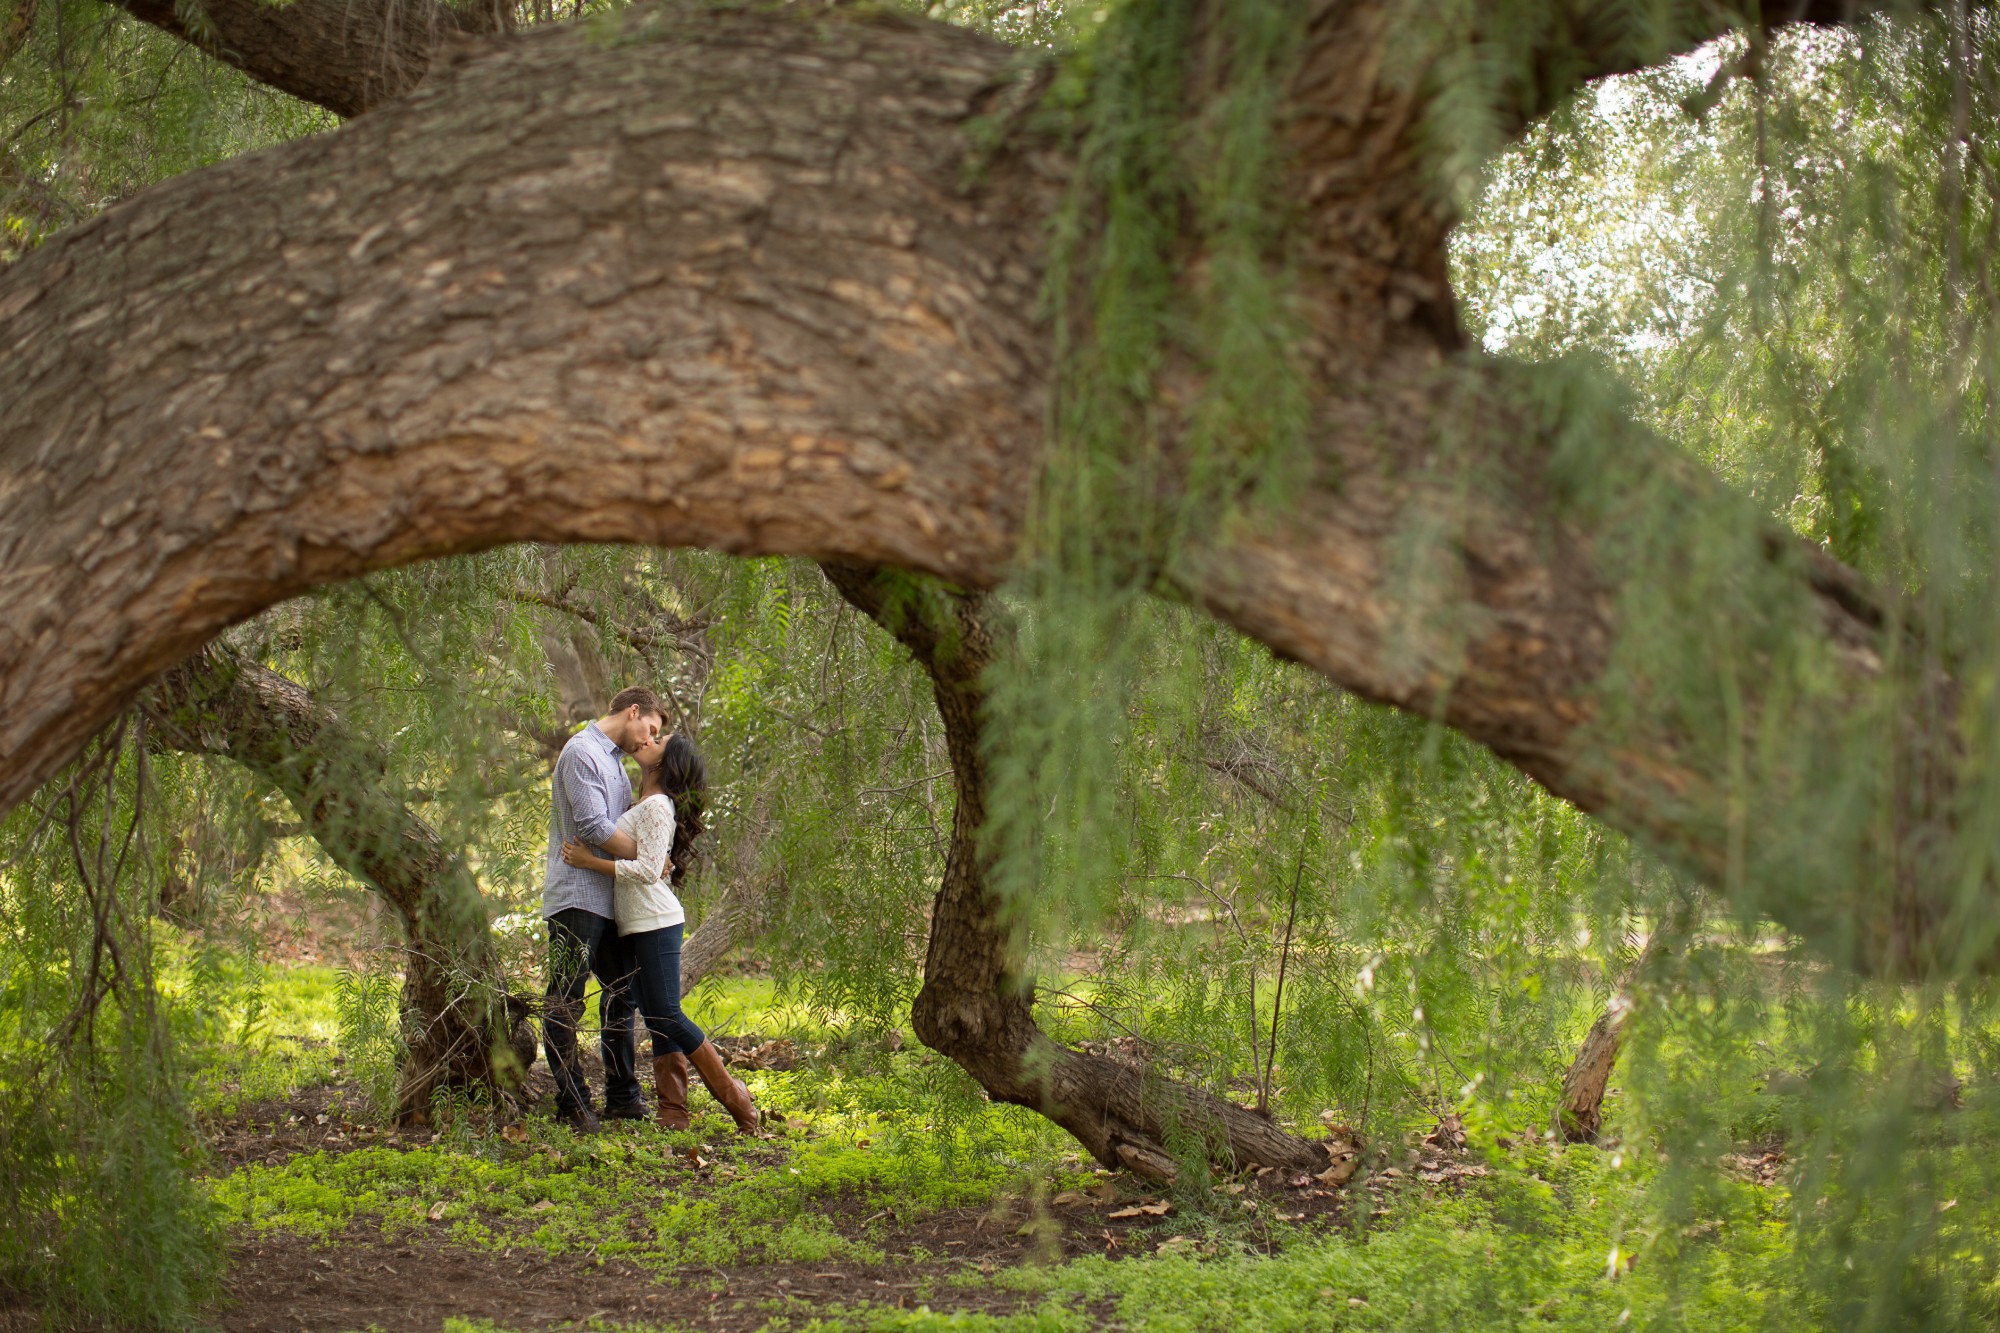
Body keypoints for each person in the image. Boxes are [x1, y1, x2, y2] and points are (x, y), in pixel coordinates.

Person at [560, 734, 760, 1134]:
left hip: (656, 922)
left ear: (664, 763)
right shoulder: (646, 803)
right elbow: (653, 860)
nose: (648, 739)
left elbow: (649, 871)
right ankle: (674, 1113)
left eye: (658, 740)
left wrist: (588, 861)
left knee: (666, 1014)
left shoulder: (655, 805)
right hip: (638, 923)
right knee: (655, 1015)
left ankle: (735, 1097)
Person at [540, 686, 668, 1135]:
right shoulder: (582, 752)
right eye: (649, 728)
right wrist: (651, 856)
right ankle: (572, 1102)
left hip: (608, 897)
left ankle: (623, 1098)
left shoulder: (613, 761)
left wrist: (646, 856)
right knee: (564, 1001)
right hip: (576, 896)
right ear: (634, 711)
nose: (648, 740)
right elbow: (595, 828)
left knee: (622, 993)